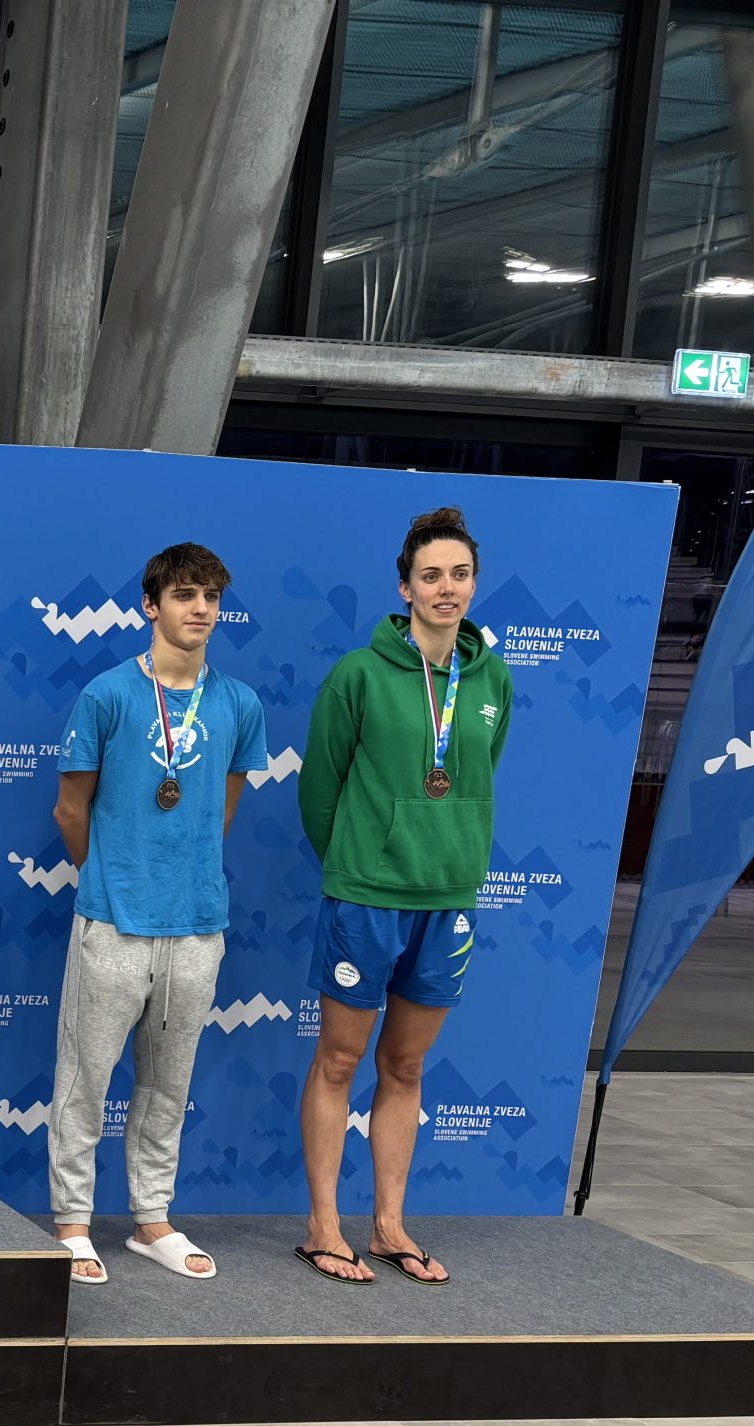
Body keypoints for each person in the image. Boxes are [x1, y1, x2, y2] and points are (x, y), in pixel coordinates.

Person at [295, 505, 510, 1286]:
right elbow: (319, 791)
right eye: (431, 575)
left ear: (473, 584)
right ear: (405, 587)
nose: (446, 588)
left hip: (448, 900)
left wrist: (448, 853)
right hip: (367, 897)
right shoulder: (359, 674)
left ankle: (388, 1226)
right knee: (339, 1059)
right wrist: (362, 862)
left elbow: (479, 776)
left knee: (407, 1067)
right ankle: (324, 1225)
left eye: (460, 574)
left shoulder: (493, 680)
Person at [45, 543, 269, 1284]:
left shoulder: (239, 704)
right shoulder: (107, 695)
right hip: (113, 921)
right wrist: (113, 876)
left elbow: (222, 808)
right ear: (151, 605)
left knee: (168, 1087)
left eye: (211, 596)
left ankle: (151, 1221)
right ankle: (73, 1223)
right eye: (184, 595)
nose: (200, 609)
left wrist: (180, 872)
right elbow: (70, 809)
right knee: (85, 1081)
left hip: (197, 926)